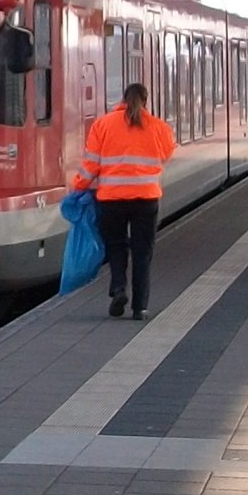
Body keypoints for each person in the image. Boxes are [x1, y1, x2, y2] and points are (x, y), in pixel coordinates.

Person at [73, 83, 176, 321]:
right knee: (143, 253)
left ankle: (119, 288)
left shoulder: (103, 125)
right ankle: (140, 308)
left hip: (111, 200)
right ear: (146, 100)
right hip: (146, 199)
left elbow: (91, 165)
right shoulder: (158, 127)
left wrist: (78, 189)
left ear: (122, 99)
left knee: (117, 247)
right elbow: (165, 155)